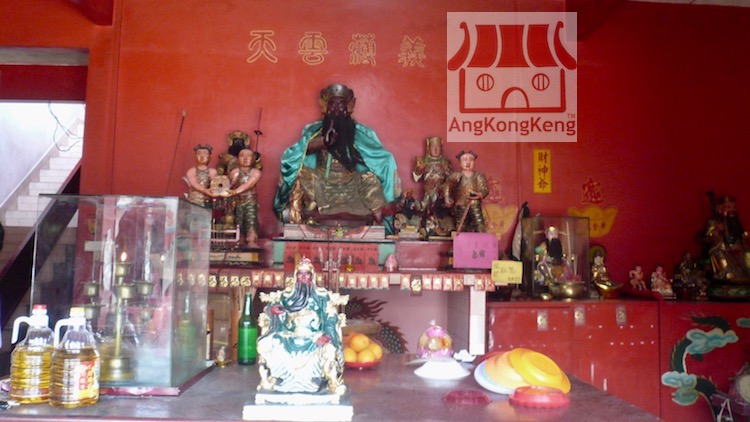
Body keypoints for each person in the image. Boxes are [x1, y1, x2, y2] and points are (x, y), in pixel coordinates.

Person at [273, 83, 400, 233]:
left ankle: (378, 224)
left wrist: (353, 153)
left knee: (371, 179)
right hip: (321, 180)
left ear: (348, 107)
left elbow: (380, 158)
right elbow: (296, 153)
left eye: (341, 104)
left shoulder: (361, 133)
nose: (336, 109)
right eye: (332, 104)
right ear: (325, 107)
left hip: (352, 182)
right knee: (300, 175)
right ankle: (297, 222)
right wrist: (323, 142)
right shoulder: (314, 130)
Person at [256, 257, 348, 396]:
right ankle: (273, 379)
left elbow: (331, 317)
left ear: (312, 276)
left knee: (328, 349)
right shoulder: (287, 296)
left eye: (307, 274)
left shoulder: (322, 297)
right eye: (300, 274)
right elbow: (273, 308)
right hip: (289, 336)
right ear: (295, 276)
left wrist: (328, 335)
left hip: (314, 336)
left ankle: (332, 382)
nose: (303, 277)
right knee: (265, 343)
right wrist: (272, 311)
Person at [704, 194, 750, 281]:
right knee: (719, 253)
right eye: (728, 207)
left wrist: (739, 245)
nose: (732, 210)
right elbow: (708, 237)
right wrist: (717, 231)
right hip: (721, 248)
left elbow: (740, 236)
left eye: (733, 207)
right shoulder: (714, 222)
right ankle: (728, 276)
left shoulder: (735, 222)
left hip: (738, 249)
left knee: (747, 253)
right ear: (720, 209)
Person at [444, 150, 489, 232]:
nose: (468, 162)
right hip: (461, 203)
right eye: (465, 160)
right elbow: (448, 185)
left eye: (471, 160)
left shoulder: (478, 176)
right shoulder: (456, 176)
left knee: (479, 223)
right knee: (461, 225)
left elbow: (484, 188)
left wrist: (480, 194)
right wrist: (447, 197)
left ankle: (481, 238)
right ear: (459, 163)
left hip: (475, 203)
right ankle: (461, 239)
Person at [229, 148, 262, 247]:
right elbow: (229, 186)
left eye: (249, 156)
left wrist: (235, 191)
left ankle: (252, 240)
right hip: (237, 201)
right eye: (242, 156)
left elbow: (249, 184)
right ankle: (240, 240)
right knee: (238, 221)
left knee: (250, 220)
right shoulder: (234, 172)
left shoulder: (255, 172)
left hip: (250, 200)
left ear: (253, 159)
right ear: (237, 159)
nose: (245, 158)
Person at [413, 136, 452, 215]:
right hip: (428, 192)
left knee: (440, 210)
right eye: (433, 147)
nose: (435, 149)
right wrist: (420, 169)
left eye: (438, 147)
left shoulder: (446, 162)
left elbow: (451, 180)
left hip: (441, 192)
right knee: (424, 209)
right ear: (428, 148)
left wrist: (446, 170)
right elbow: (416, 179)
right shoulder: (423, 162)